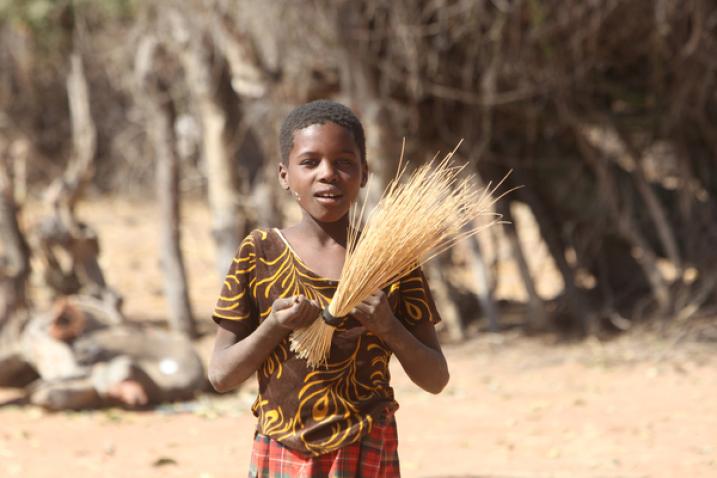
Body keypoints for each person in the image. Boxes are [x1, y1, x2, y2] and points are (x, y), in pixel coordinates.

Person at [209, 99, 449, 477]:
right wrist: (274, 325)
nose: (328, 174)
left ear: (364, 174)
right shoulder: (260, 253)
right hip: (284, 447)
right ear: (284, 175)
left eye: (344, 163)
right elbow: (221, 375)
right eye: (310, 162)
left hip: (367, 444)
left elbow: (435, 378)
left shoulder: (391, 260)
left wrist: (388, 326)